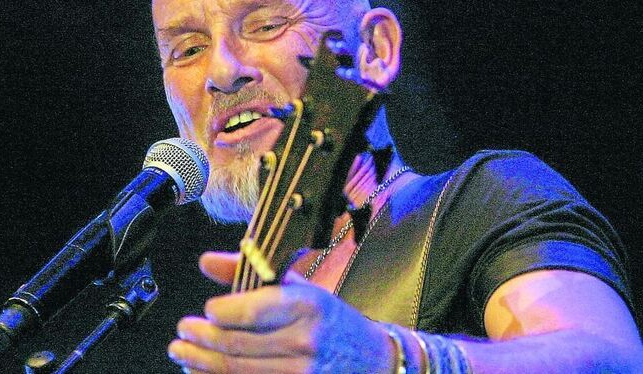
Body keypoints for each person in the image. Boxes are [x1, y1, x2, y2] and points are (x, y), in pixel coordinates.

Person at [152, 0, 642, 372]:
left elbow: (611, 357)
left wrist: (389, 357)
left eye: (266, 25)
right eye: (188, 49)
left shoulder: (485, 199)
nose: (221, 71)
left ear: (374, 50)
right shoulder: (232, 310)